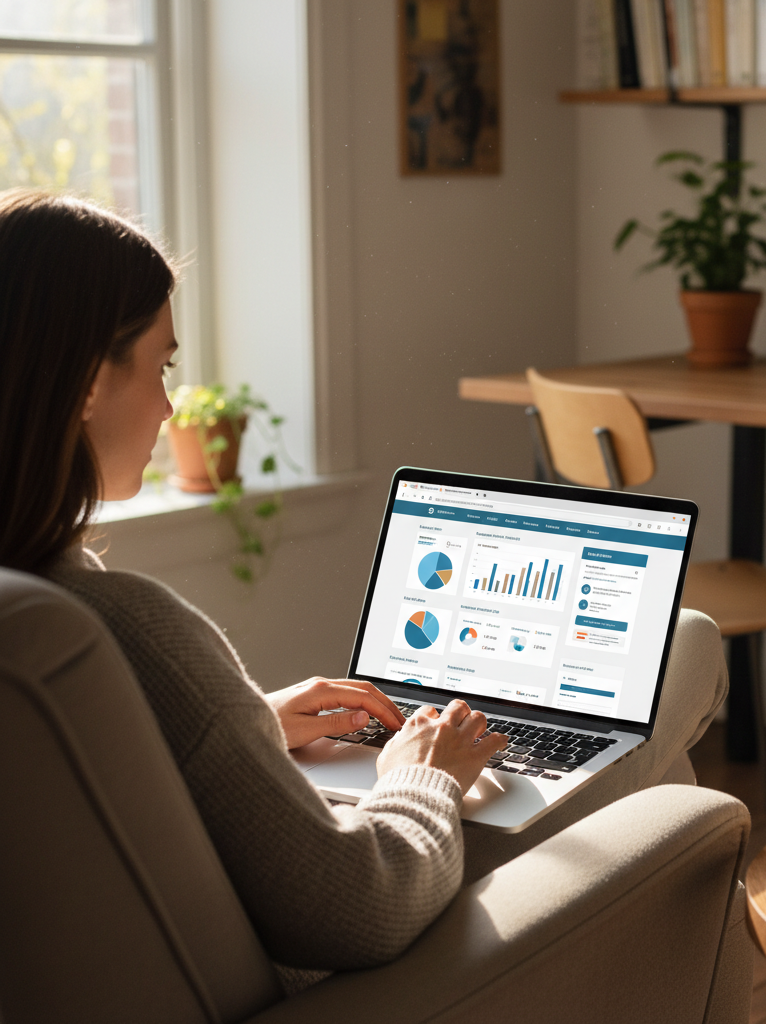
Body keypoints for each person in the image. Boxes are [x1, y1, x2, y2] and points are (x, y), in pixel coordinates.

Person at [0, 190, 728, 992]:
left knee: (671, 675)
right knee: (687, 671)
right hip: (358, 966)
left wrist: (244, 730)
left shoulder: (31, 600)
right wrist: (427, 776)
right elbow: (362, 907)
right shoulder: (131, 628)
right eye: (161, 365)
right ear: (84, 385)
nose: (173, 405)